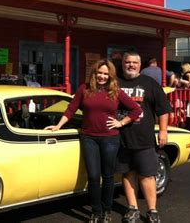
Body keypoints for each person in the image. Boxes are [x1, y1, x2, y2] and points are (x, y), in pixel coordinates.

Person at [45, 59, 142, 223]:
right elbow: (71, 109)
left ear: (110, 75)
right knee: (94, 176)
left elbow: (136, 109)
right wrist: (58, 126)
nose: (102, 76)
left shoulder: (115, 91)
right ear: (94, 73)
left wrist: (121, 122)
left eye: (106, 74)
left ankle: (107, 211)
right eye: (100, 73)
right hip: (88, 138)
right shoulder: (84, 89)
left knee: (108, 176)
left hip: (110, 139)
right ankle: (96, 212)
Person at [117, 51, 171, 223]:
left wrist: (163, 130)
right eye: (127, 62)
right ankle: (132, 208)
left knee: (147, 175)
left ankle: (152, 210)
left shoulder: (150, 83)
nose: (131, 65)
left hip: (144, 138)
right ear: (123, 63)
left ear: (140, 65)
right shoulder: (115, 82)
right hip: (120, 138)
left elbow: (163, 109)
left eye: (134, 62)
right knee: (127, 173)